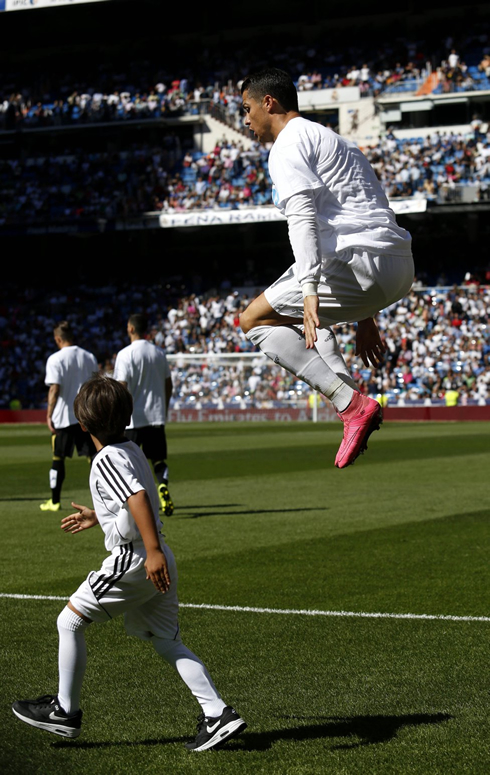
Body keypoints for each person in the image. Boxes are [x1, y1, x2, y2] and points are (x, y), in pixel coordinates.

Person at [12, 375, 247, 752]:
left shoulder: (105, 458)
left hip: (137, 559)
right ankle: (218, 713)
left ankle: (64, 711)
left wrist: (150, 551)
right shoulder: (132, 447)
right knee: (166, 640)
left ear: (82, 425)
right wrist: (101, 517)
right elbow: (134, 500)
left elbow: (137, 497)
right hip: (153, 553)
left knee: (69, 620)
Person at [239, 68, 414, 468]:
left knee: (253, 320)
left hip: (358, 264)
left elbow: (302, 218)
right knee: (302, 324)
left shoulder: (287, 144)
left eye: (247, 108)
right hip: (399, 267)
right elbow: (367, 212)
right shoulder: (338, 142)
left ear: (270, 103)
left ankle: (350, 404)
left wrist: (310, 289)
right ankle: (353, 402)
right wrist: (367, 315)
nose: (245, 120)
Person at [113, 313, 174, 515]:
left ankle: (132, 502)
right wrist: (163, 408)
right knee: (158, 459)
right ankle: (162, 484)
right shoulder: (159, 353)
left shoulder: (125, 354)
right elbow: (168, 384)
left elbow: (121, 387)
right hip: (155, 416)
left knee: (128, 463)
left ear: (131, 329)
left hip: (132, 419)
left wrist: (118, 415)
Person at [40, 321, 98, 511]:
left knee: (58, 458)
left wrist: (49, 415)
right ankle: (102, 498)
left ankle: (55, 501)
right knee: (93, 457)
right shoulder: (88, 357)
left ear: (58, 339)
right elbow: (95, 386)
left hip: (64, 417)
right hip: (85, 415)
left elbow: (54, 389)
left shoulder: (55, 359)